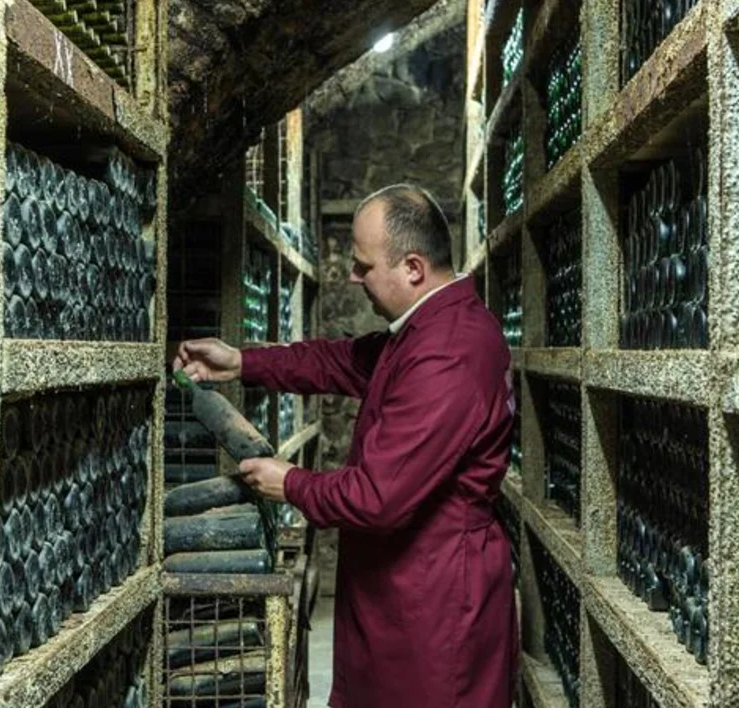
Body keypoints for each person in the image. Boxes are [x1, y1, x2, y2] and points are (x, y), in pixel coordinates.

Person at [172, 184, 517, 708]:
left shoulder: (449, 353)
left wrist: (288, 482)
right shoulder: (425, 330)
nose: (352, 278)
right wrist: (242, 363)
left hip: (435, 603)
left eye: (363, 266)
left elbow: (376, 497)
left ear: (413, 269)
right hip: (403, 587)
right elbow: (338, 361)